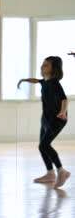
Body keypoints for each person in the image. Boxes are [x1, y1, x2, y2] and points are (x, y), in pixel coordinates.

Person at [18, 56, 71, 188]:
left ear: (54, 69)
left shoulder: (54, 83)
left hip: (57, 118)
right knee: (42, 146)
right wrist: (24, 80)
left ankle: (61, 171)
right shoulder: (45, 81)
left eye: (46, 65)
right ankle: (50, 173)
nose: (42, 66)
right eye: (43, 64)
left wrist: (63, 112)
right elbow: (37, 81)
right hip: (46, 118)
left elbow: (64, 99)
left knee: (44, 146)